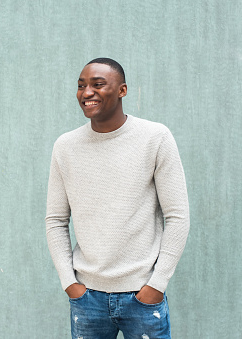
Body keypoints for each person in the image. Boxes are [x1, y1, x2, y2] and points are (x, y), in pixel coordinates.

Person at [45, 58, 190, 339]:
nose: (87, 92)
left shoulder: (155, 138)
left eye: (98, 84)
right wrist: (70, 283)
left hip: (142, 295)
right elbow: (55, 220)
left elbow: (178, 217)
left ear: (122, 90)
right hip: (87, 298)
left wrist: (156, 285)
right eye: (81, 86)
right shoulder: (65, 146)